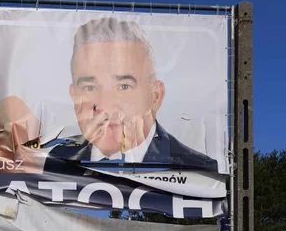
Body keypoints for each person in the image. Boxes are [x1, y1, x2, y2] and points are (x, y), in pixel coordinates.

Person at [45, 17, 218, 172]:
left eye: (123, 86)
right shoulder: (49, 164)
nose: (105, 106)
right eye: (90, 88)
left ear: (155, 96)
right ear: (73, 96)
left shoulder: (197, 170)